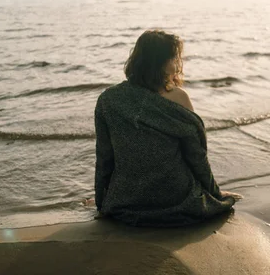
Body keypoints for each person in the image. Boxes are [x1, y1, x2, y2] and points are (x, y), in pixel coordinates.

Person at [92, 29, 242, 227]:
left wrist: (102, 203)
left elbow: (105, 157)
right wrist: (214, 194)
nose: (178, 63)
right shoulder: (179, 98)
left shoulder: (108, 100)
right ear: (161, 62)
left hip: (127, 200)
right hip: (175, 199)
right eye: (175, 57)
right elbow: (196, 156)